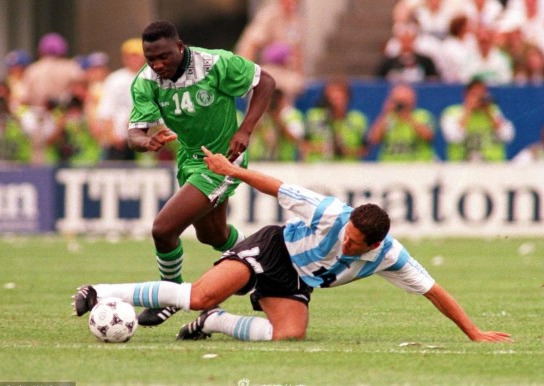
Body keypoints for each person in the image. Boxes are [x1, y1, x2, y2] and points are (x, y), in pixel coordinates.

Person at [73, 146, 513, 344]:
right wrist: (232, 170)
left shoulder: (390, 256)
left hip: (296, 280)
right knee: (200, 294)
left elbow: (434, 292)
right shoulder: (330, 213)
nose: (346, 242)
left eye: (354, 243)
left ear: (375, 244)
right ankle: (99, 292)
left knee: (289, 335)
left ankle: (215, 324)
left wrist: (473, 332)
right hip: (273, 249)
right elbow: (277, 186)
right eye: (347, 234)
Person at [126, 21, 275, 326]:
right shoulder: (146, 81)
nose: (158, 65)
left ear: (180, 46)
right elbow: (134, 134)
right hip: (189, 160)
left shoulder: (215, 63)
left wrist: (245, 131)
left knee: (163, 229)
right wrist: (146, 142)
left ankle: (169, 296)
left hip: (223, 160)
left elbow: (266, 82)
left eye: (164, 56)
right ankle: (269, 271)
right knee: (212, 235)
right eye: (151, 59)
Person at [235, 0, 304, 100]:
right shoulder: (269, 16)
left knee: (296, 84)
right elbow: (251, 45)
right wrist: (246, 75)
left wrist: (300, 73)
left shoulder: (295, 20)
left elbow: (296, 49)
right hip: (267, 69)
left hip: (287, 72)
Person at [440, 78, 515, 161]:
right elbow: (454, 137)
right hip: (462, 164)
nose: (479, 98)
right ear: (466, 94)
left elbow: (507, 136)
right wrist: (468, 111)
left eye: (482, 94)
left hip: (492, 164)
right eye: (475, 94)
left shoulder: (493, 111)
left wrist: (489, 114)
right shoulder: (452, 112)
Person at [96, 39, 146, 162]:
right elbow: (106, 110)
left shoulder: (151, 79)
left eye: (138, 56)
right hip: (119, 140)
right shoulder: (115, 79)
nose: (135, 60)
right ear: (125, 58)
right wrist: (111, 136)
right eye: (132, 56)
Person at [304, 78, 368, 162]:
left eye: (339, 97)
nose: (334, 101)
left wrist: (346, 151)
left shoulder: (357, 119)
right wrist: (325, 148)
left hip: (348, 166)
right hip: (319, 165)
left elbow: (364, 149)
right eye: (331, 97)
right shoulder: (314, 117)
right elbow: (303, 144)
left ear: (347, 97)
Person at [368, 83, 436, 161]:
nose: (400, 105)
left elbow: (429, 137)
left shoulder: (422, 116)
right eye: (397, 101)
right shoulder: (387, 118)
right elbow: (373, 140)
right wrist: (384, 113)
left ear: (413, 101)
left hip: (417, 164)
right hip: (390, 164)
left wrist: (408, 117)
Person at [247, 88, 306, 162]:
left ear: (281, 100)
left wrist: (277, 120)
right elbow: (248, 133)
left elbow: (295, 138)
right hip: (260, 158)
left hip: (284, 160)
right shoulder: (263, 115)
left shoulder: (291, 115)